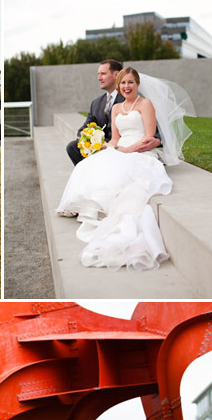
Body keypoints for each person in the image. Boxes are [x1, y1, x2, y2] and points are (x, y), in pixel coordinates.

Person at [56, 67, 195, 271]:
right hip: (121, 149)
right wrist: (105, 147)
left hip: (141, 152)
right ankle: (81, 207)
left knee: (120, 173)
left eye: (130, 82)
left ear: (137, 84)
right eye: (123, 83)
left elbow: (149, 135)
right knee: (87, 165)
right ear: (118, 85)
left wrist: (128, 150)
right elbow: (115, 139)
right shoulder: (116, 109)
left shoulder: (145, 104)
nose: (126, 86)